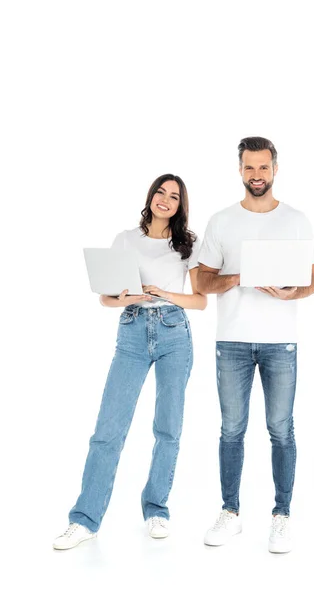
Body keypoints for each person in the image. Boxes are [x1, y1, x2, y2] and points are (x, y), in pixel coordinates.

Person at [53, 174, 206, 550]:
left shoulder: (188, 244)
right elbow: (106, 298)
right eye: (161, 192)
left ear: (180, 205)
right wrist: (126, 298)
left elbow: (200, 300)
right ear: (151, 196)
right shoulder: (125, 239)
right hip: (133, 331)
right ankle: (85, 519)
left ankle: (156, 509)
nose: (165, 200)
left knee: (167, 428)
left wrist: (164, 293)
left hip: (174, 333)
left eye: (174, 196)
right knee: (108, 428)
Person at [197, 137, 314, 553]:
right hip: (231, 340)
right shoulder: (221, 221)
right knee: (231, 430)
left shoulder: (297, 220)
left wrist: (291, 294)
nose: (256, 175)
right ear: (239, 170)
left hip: (280, 342)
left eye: (263, 168)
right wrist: (239, 276)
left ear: (275, 169)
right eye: (249, 168)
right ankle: (229, 512)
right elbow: (201, 282)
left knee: (281, 430)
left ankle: (281, 516)